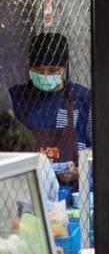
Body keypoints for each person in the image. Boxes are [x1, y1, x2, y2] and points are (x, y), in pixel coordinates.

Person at [10, 32, 92, 182]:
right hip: (25, 186)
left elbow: (102, 152)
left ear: (64, 68)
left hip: (72, 191)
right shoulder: (16, 98)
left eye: (53, 71)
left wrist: (80, 171)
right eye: (40, 71)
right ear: (30, 67)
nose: (46, 75)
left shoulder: (83, 99)